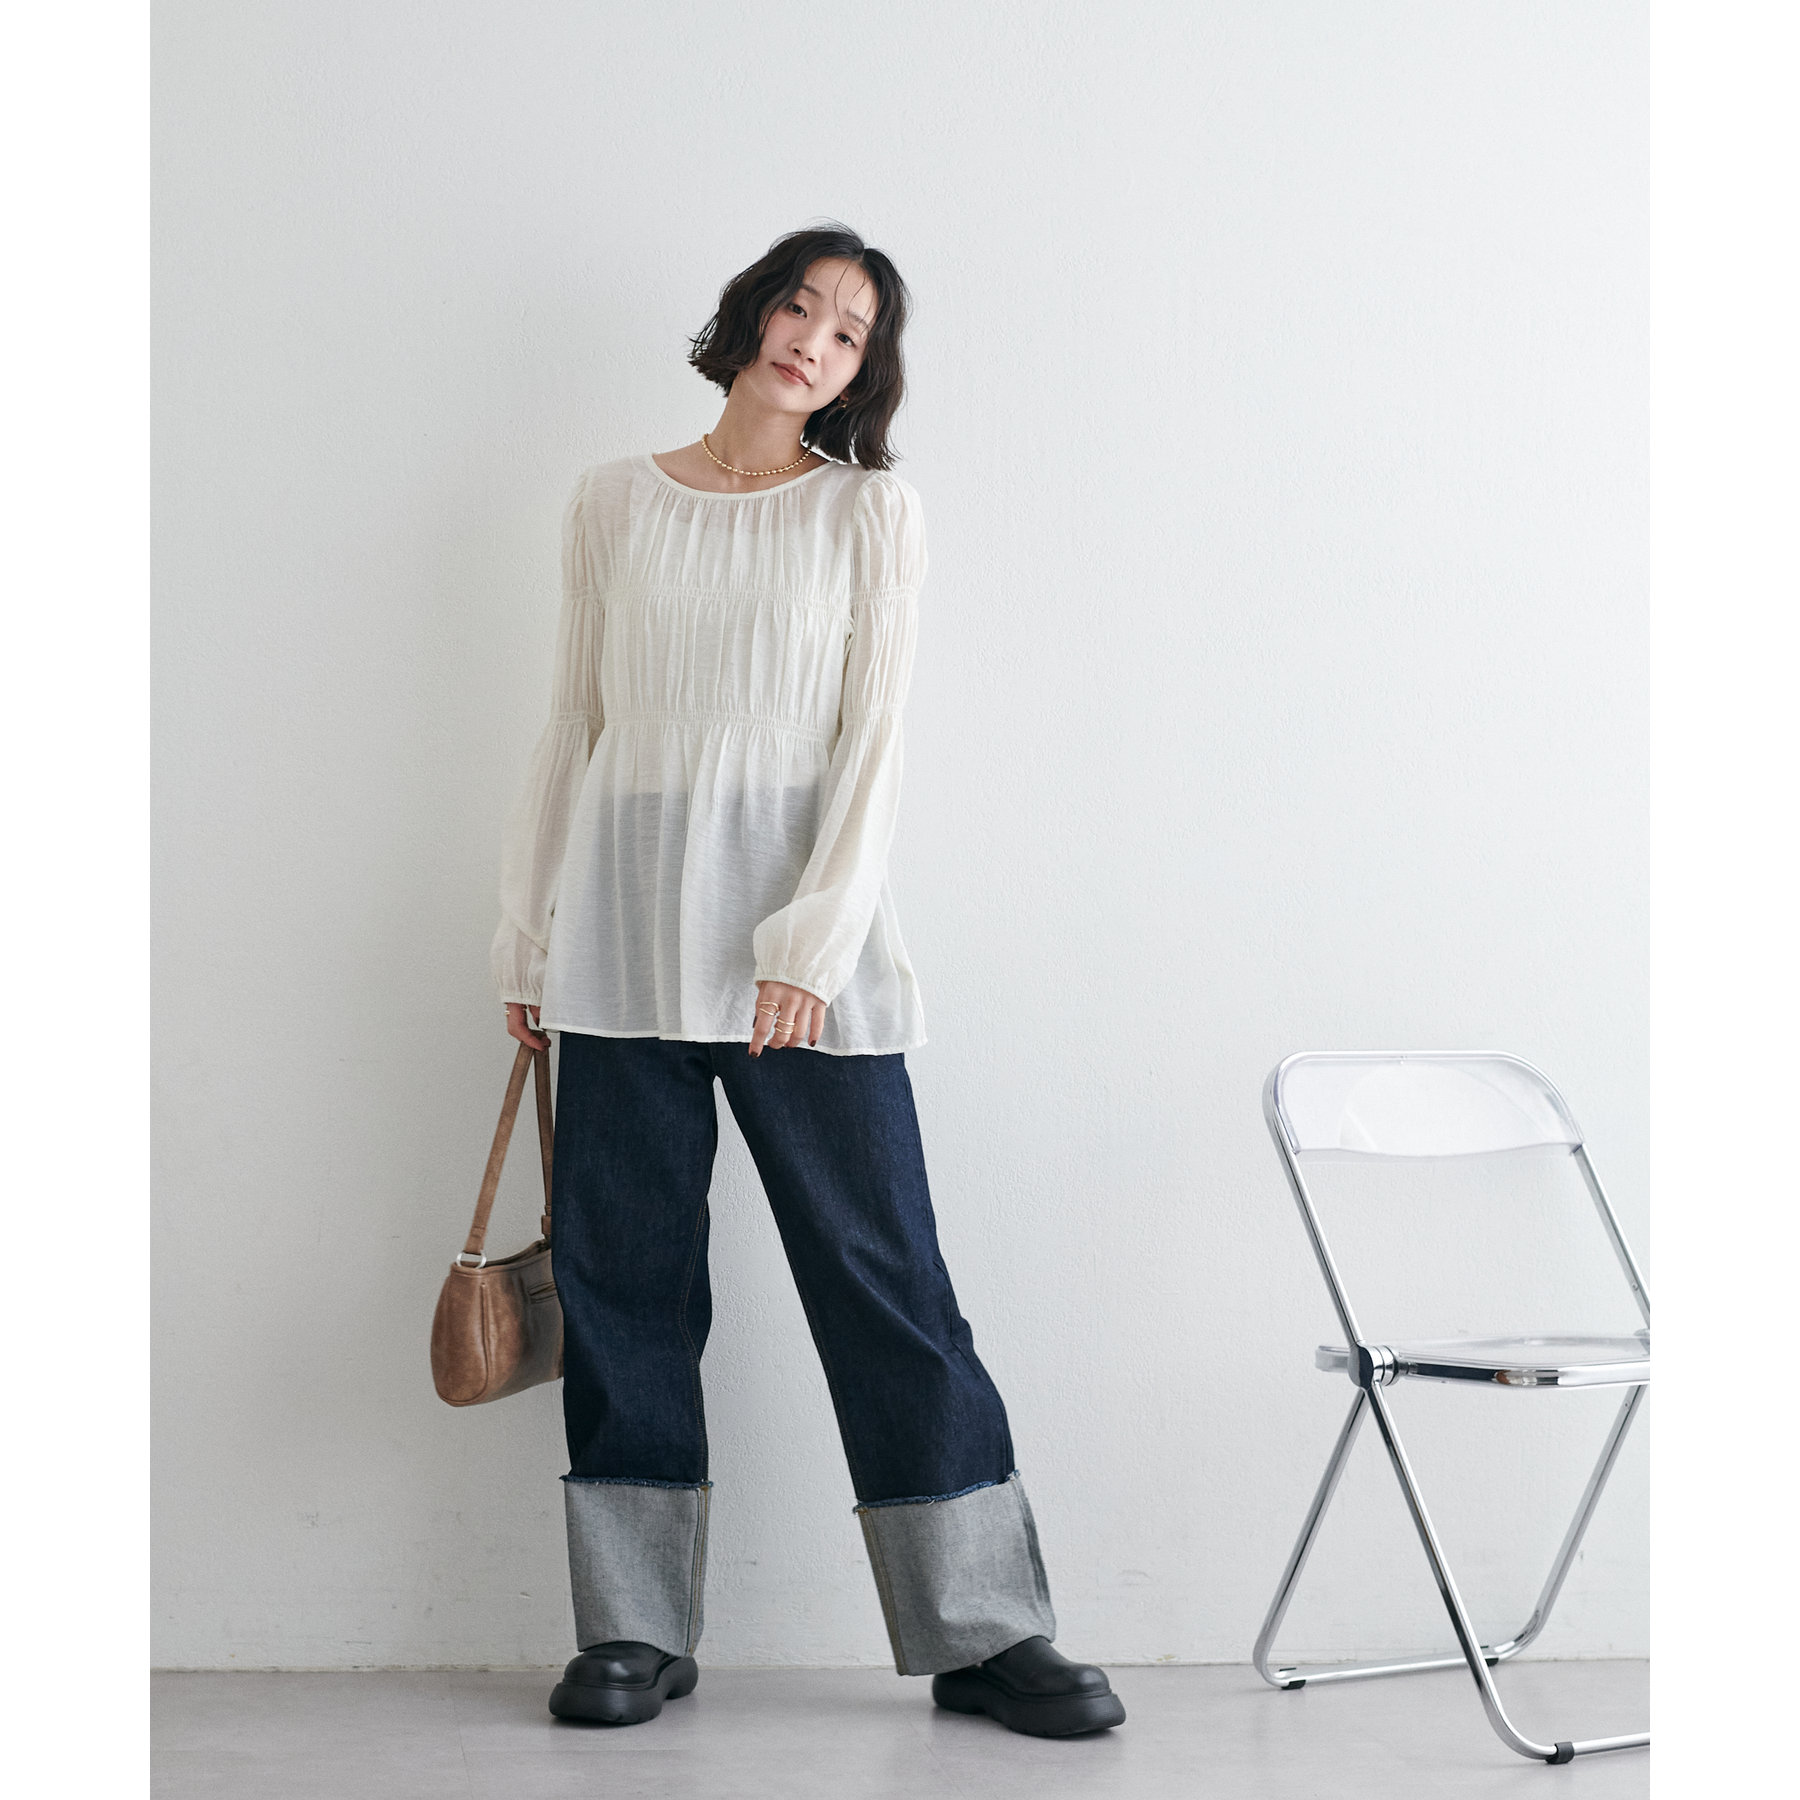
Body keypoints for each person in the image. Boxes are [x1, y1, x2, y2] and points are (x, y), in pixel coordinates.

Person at [489, 223, 1123, 1739]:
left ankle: (982, 1630)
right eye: (801, 307)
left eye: (850, 333)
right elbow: (572, 720)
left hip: (797, 957)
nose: (815, 341)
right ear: (753, 316)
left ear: (861, 373)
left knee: (882, 1275)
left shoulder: (868, 513)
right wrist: (528, 934)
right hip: (620, 939)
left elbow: (871, 741)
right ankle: (633, 1627)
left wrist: (809, 948)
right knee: (624, 1282)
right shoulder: (611, 501)